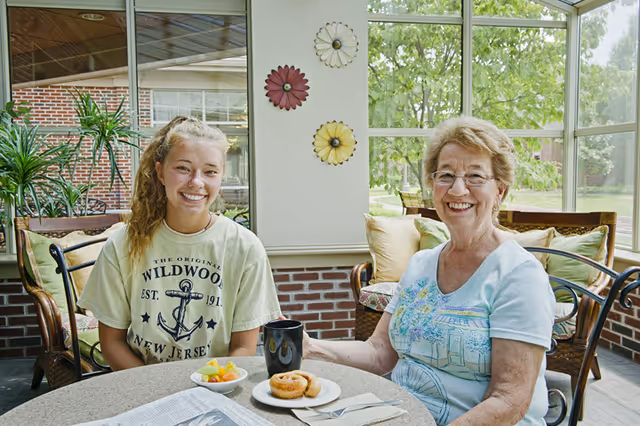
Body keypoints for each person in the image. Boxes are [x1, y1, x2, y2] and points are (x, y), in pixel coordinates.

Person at [303, 116, 555, 425]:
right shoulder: (421, 264)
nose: (458, 189)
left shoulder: (519, 275)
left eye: (475, 176)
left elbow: (509, 401)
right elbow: (381, 351)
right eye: (446, 175)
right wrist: (312, 347)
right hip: (400, 415)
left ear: (499, 190)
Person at [78, 116, 281, 369]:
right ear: (160, 172)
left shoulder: (245, 248)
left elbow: (243, 347)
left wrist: (209, 391)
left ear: (221, 177)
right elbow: (112, 343)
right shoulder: (123, 245)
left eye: (210, 171)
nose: (196, 182)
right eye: (183, 168)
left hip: (217, 388)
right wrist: (156, 395)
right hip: (143, 385)